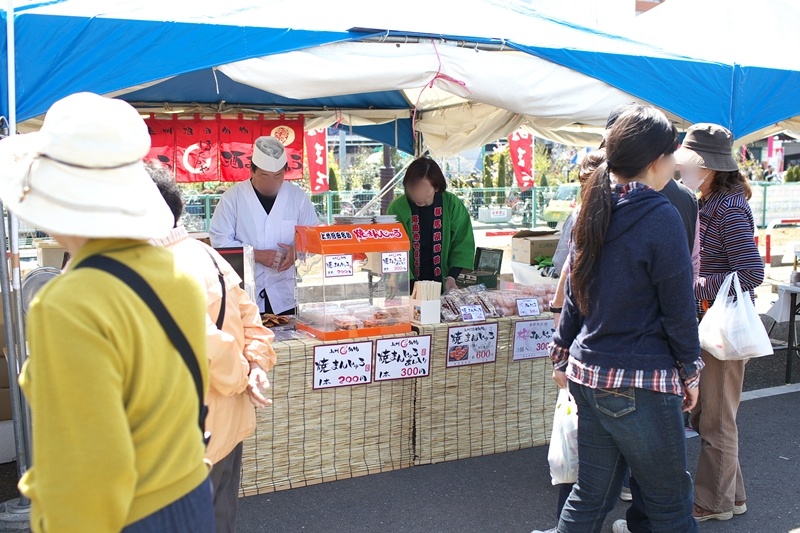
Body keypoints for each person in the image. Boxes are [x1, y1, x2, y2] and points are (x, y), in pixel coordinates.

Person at [0, 93, 214, 532]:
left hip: (123, 515)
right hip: (191, 495)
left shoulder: (69, 302)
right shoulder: (177, 273)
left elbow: (86, 472)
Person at [549, 106, 703, 533]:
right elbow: (678, 307)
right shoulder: (659, 215)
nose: (675, 163)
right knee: (671, 504)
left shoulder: (590, 209)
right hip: (640, 379)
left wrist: (561, 352)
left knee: (591, 496)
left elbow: (576, 296)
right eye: (673, 155)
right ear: (657, 161)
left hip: (588, 372)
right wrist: (690, 372)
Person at [148, 164, 277, 533]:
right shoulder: (206, 254)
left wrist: (240, 375)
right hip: (228, 422)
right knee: (220, 517)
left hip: (185, 431)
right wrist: (255, 367)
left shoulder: (151, 269)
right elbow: (253, 322)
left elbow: (205, 342)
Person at [676, 124, 764, 522]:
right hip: (715, 322)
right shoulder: (714, 201)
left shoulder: (725, 207)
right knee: (713, 415)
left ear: (706, 166)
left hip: (721, 326)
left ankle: (713, 504)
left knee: (715, 419)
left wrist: (692, 287)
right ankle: (734, 496)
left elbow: (750, 272)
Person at [210, 136, 318, 315]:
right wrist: (256, 255)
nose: (271, 183)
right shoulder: (232, 198)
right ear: (252, 171)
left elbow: (312, 236)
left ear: (285, 172)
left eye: (277, 177)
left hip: (285, 294)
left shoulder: (297, 197)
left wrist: (295, 251)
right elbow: (219, 241)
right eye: (264, 176)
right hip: (245, 293)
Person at [388, 157, 475, 292]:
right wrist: (410, 284)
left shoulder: (451, 204)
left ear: (437, 187)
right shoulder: (397, 208)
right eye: (414, 189)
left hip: (444, 279)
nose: (418, 196)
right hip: (408, 281)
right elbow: (394, 249)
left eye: (425, 191)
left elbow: (463, 242)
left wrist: (452, 277)